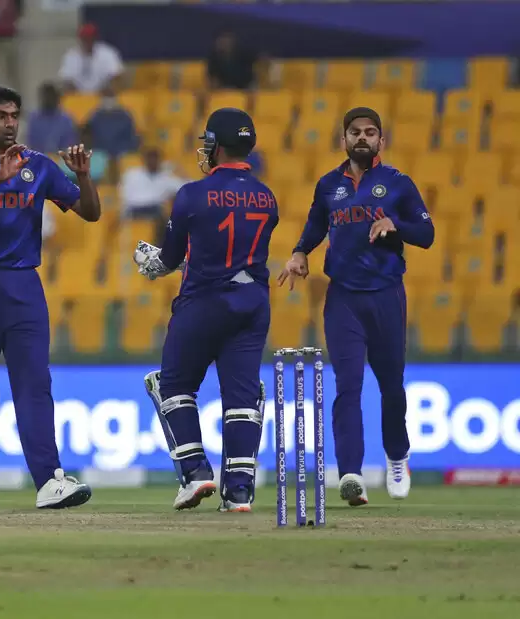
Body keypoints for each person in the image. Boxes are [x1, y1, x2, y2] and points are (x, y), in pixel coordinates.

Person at [0, 85, 101, 510]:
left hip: (23, 286)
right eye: (1, 116)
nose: (10, 123)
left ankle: (49, 481)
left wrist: (84, 177)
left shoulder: (39, 165)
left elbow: (91, 213)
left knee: (34, 384)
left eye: (14, 115)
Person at [277, 107, 434, 507]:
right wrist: (299, 252)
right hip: (343, 298)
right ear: (343, 139)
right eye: (355, 132)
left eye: (370, 132)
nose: (362, 137)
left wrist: (396, 226)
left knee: (391, 386)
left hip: (386, 295)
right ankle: (351, 474)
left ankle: (397, 457)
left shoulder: (398, 183)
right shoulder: (329, 185)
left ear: (381, 140)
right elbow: (315, 225)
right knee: (348, 386)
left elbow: (427, 234)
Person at [135, 108, 278, 513]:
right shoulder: (267, 197)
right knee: (243, 396)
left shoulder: (191, 194)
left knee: (172, 385)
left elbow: (172, 258)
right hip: (252, 303)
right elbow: (234, 257)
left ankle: (196, 473)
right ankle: (239, 492)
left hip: (203, 302)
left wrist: (153, 264)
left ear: (215, 145)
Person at [58, 23, 124, 94]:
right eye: (85, 39)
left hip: (102, 96)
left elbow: (116, 76)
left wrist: (109, 88)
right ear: (80, 39)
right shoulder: (71, 55)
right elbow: (67, 80)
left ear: (95, 38)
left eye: (90, 38)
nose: (87, 41)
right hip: (78, 96)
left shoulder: (108, 53)